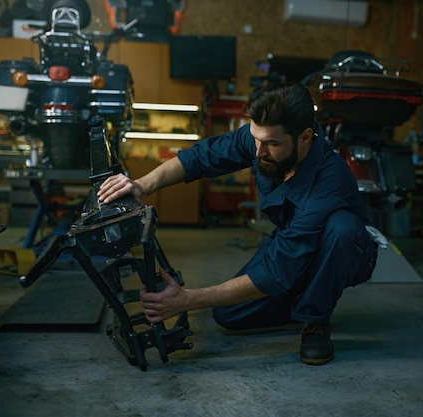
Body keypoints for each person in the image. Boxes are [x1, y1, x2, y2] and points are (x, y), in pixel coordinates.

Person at [97, 82, 378, 365]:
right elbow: (201, 157)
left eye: (272, 144)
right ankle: (300, 295)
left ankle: (315, 318)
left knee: (340, 229)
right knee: (227, 315)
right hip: (291, 241)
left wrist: (186, 299)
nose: (258, 151)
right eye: (256, 138)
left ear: (305, 137)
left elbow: (277, 270)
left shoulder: (329, 181)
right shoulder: (263, 138)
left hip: (342, 248)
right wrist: (141, 185)